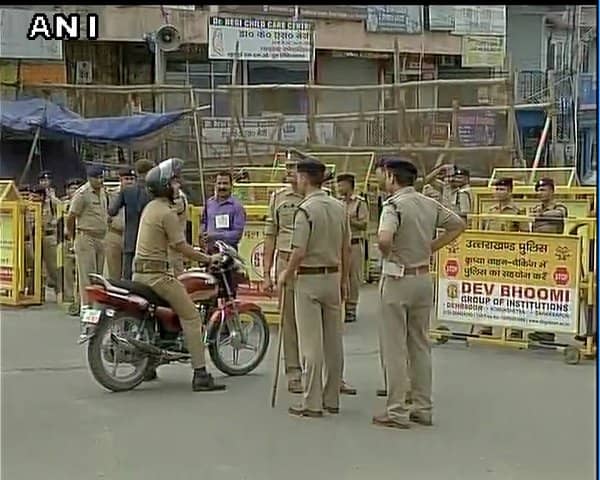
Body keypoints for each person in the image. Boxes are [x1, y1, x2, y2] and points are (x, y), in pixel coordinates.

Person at [373, 157, 465, 429]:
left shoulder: (393, 205)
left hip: (397, 277)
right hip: (423, 276)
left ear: (391, 177)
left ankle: (397, 409)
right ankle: (423, 406)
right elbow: (458, 225)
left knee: (394, 348)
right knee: (420, 344)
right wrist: (431, 247)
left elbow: (384, 238)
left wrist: (388, 254)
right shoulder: (428, 203)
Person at [133, 157, 225, 392]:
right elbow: (180, 246)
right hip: (157, 276)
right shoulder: (167, 213)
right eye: (174, 182)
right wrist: (208, 259)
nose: (178, 185)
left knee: (159, 316)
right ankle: (201, 374)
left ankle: (149, 366)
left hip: (139, 273)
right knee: (192, 317)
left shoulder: (151, 208)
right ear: (165, 186)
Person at [277, 157, 350, 418]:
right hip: (333, 276)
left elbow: (299, 251)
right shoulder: (339, 207)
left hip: (308, 278)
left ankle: (312, 401)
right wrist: (344, 280)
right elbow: (346, 249)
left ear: (304, 178)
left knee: (311, 345)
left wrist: (286, 274)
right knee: (334, 342)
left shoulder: (305, 210)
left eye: (297, 176)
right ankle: (332, 398)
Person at [263, 157, 304, 394]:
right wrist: (267, 273)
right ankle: (294, 372)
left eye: (294, 168)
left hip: (311, 263)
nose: (289, 172)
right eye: (287, 167)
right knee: (289, 320)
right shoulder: (278, 198)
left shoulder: (321, 197)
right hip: (286, 261)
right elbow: (270, 235)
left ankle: (324, 373)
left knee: (316, 322)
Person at [481, 177, 524, 337]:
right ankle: (487, 325)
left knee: (513, 293)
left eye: (502, 189)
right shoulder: (490, 211)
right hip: (492, 256)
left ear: (510, 191)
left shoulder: (517, 211)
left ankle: (515, 329)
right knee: (489, 291)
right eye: (497, 189)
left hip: (510, 257)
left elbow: (524, 233)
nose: (498, 192)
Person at [528, 178, 568, 344]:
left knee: (551, 294)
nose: (541, 193)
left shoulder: (558, 207)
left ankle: (548, 330)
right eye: (538, 190)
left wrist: (540, 216)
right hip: (538, 253)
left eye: (544, 189)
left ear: (552, 191)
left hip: (553, 254)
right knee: (538, 292)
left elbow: (559, 215)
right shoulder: (536, 208)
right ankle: (540, 328)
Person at [65, 166, 108, 312]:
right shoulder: (82, 194)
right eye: (97, 178)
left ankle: (96, 305)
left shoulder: (103, 192)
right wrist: (73, 236)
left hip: (101, 237)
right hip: (86, 236)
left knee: (98, 275)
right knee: (87, 274)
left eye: (102, 177)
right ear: (90, 178)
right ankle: (86, 307)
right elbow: (71, 217)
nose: (100, 180)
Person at [108, 158, 155, 280]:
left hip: (130, 239)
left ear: (137, 172)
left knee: (127, 276)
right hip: (150, 240)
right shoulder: (154, 192)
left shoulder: (127, 191)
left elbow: (112, 211)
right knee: (148, 276)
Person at [336, 173, 369, 323]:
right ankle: (340, 306)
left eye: (342, 185)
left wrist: (348, 219)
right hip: (340, 244)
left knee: (353, 277)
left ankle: (351, 308)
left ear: (350, 185)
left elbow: (364, 224)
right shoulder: (337, 202)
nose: (339, 188)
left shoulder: (359, 203)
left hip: (354, 243)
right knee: (340, 275)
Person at [201, 171, 246, 252]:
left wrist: (215, 236)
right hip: (209, 253)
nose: (222, 186)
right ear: (215, 185)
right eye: (219, 183)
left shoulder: (237, 207)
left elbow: (237, 235)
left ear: (231, 185)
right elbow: (204, 222)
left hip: (228, 253)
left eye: (225, 183)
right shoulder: (209, 203)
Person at [105, 167, 136, 280]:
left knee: (130, 272)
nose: (129, 182)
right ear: (120, 179)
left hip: (132, 235)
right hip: (115, 234)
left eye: (132, 179)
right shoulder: (110, 194)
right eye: (126, 179)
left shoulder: (138, 194)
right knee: (114, 271)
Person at [62, 178, 83, 314]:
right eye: (71, 188)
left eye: (76, 188)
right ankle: (69, 297)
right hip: (66, 240)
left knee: (81, 271)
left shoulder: (84, 203)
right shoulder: (63, 204)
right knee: (67, 269)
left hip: (80, 238)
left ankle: (79, 299)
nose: (74, 190)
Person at [169, 186, 189, 277]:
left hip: (174, 245)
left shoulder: (180, 198)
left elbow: (173, 209)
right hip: (167, 246)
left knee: (177, 276)